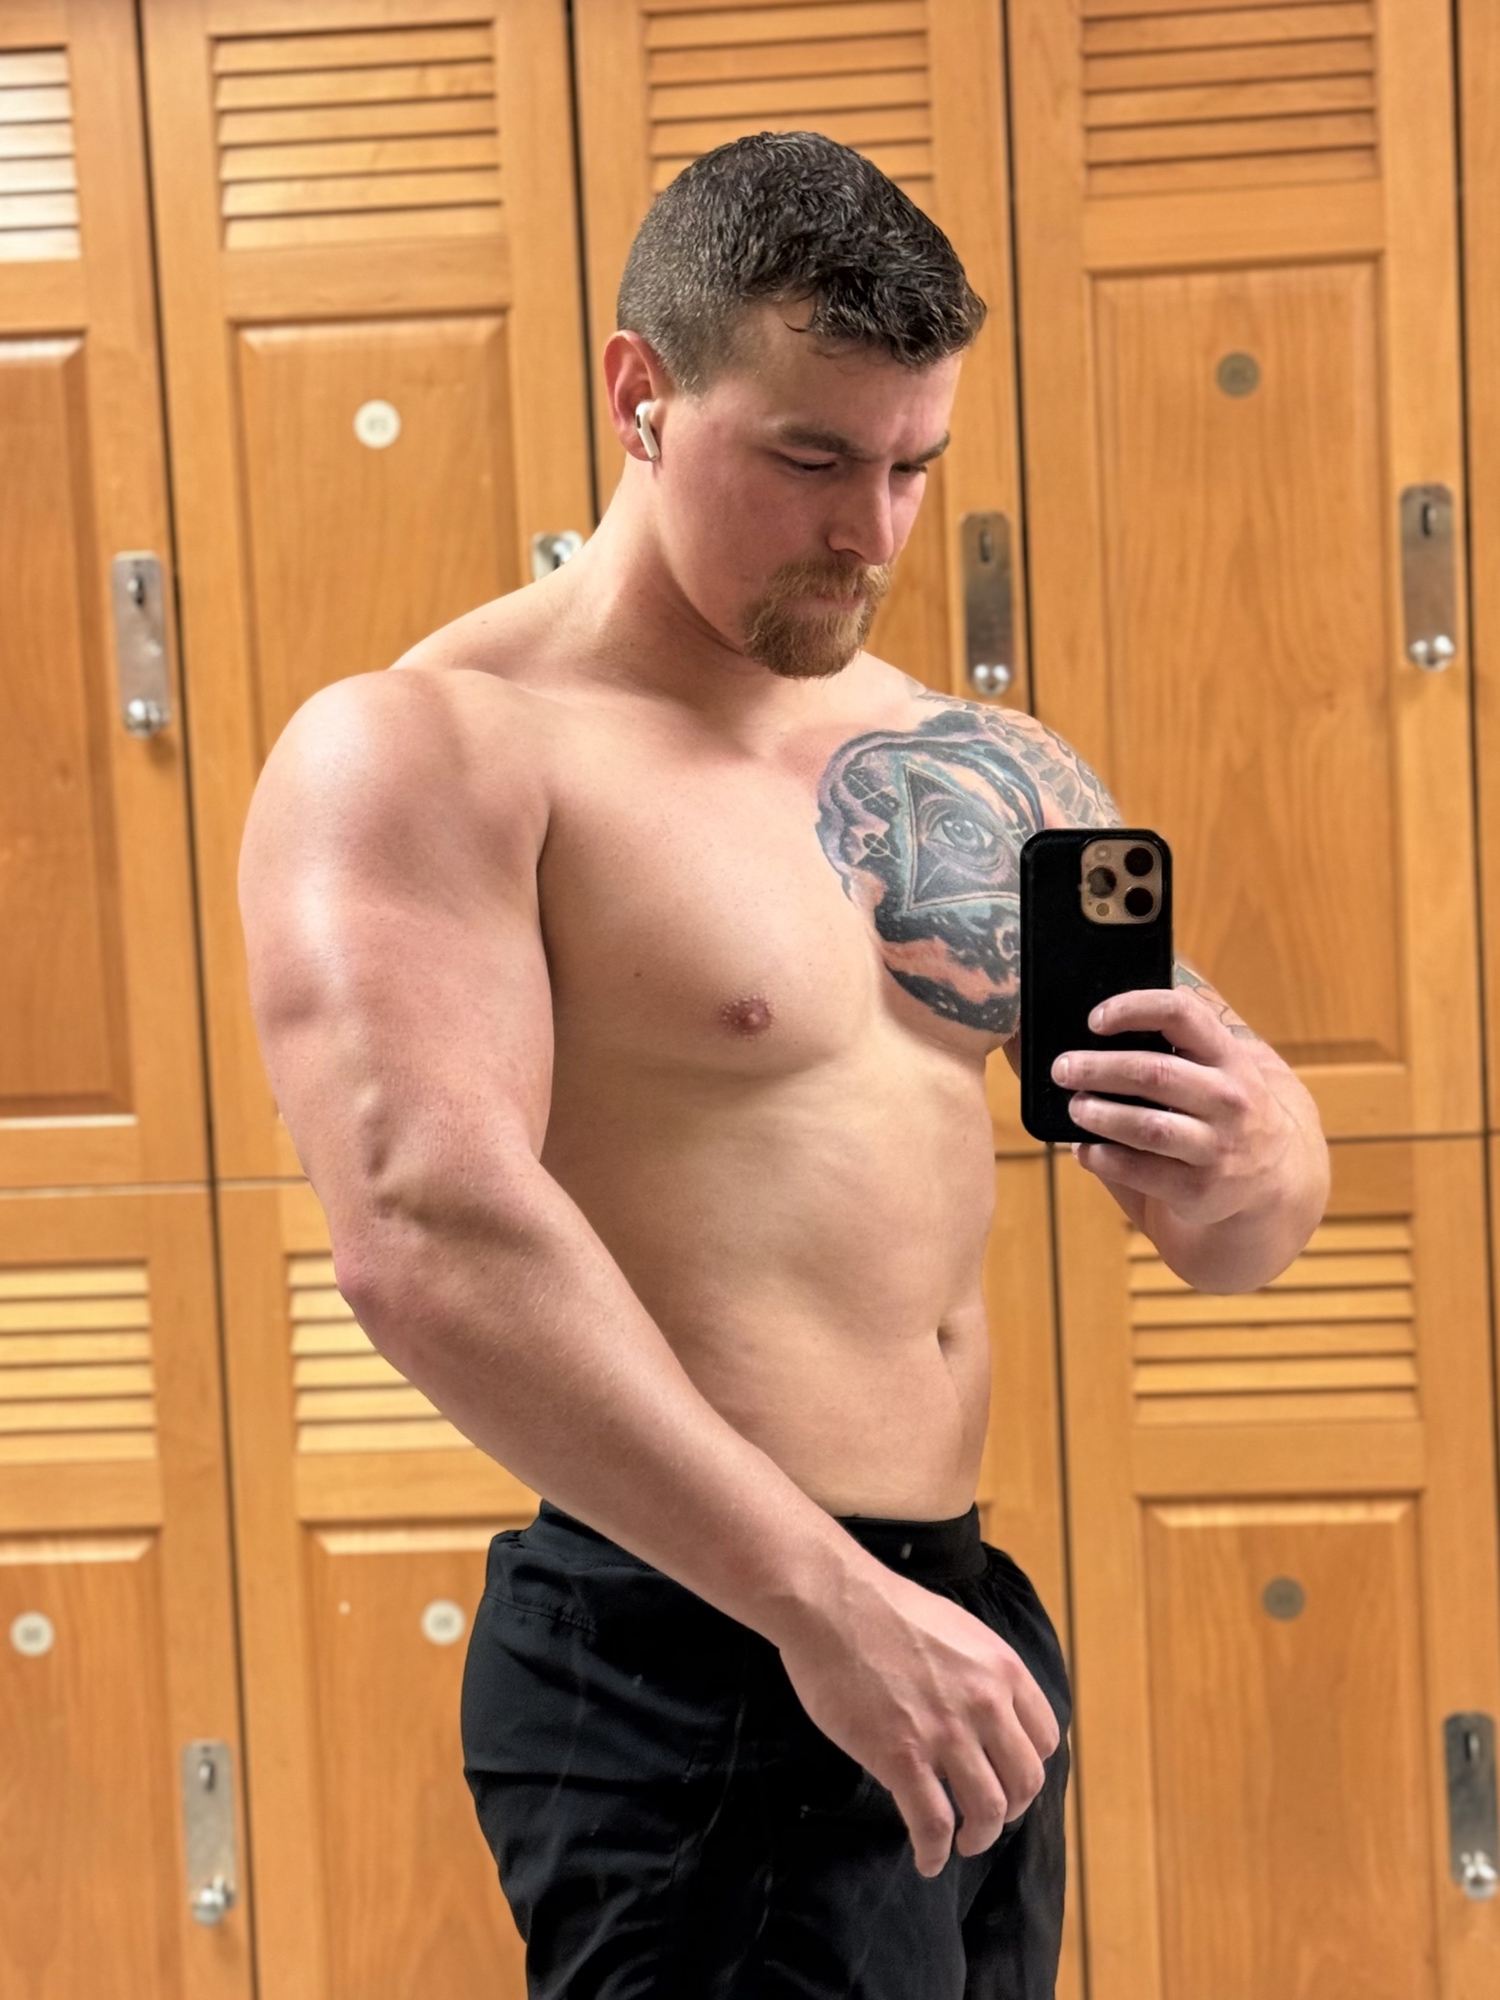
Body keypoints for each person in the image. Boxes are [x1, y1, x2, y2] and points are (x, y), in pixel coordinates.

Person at [239, 132, 1329, 1998]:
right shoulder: (437, 749)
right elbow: (428, 1235)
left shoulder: (973, 766)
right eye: (813, 461)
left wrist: (1266, 1153)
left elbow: (1233, 1233)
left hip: (949, 1624)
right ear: (640, 395)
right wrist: (821, 1601)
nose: (873, 534)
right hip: (698, 1643)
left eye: (914, 467)